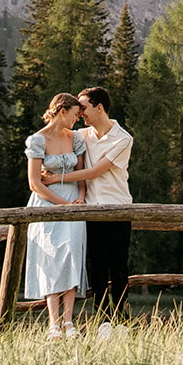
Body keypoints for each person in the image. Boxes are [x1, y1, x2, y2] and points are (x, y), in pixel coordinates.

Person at [43, 86, 133, 339]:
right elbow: (52, 135)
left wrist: (56, 178)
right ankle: (103, 321)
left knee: (119, 266)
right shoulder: (82, 135)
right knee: (98, 266)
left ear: (99, 107)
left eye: (83, 108)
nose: (80, 113)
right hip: (92, 209)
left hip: (118, 208)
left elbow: (96, 171)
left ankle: (122, 321)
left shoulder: (124, 139)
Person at [24, 92, 89, 339]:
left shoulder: (76, 139)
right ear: (62, 111)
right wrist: (62, 205)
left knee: (71, 253)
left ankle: (69, 321)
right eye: (75, 114)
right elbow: (34, 183)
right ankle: (53, 324)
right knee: (51, 256)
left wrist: (80, 199)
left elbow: (82, 173)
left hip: (73, 203)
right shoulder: (37, 140)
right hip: (46, 205)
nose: (78, 119)